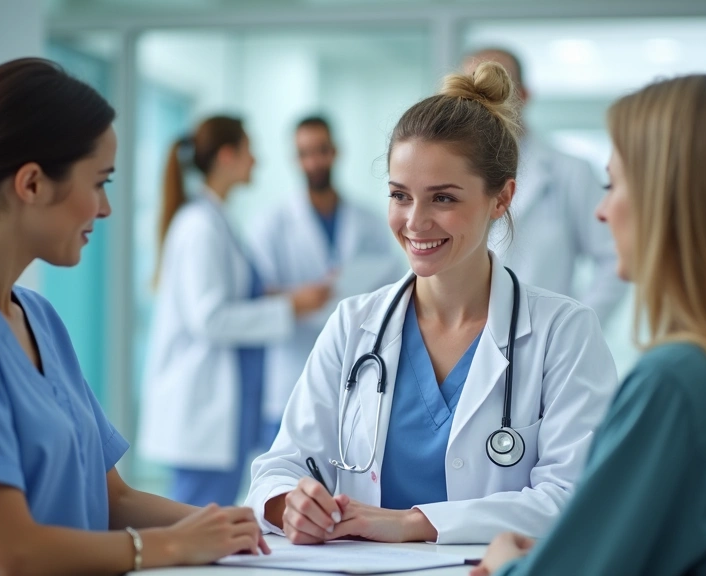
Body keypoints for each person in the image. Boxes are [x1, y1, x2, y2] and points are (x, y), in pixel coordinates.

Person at [0, 58, 268, 576]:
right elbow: (15, 553)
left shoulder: (38, 317)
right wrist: (169, 547)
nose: (106, 208)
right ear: (31, 184)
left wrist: (247, 528)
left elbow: (113, 500)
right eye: (99, 182)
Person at [473, 75, 706, 576]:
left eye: (613, 185)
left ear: (673, 201)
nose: (602, 212)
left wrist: (502, 564)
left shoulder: (678, 384)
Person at [245, 62, 619, 545]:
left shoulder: (563, 332)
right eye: (400, 195)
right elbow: (281, 466)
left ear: (502, 198)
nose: (415, 222)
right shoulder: (354, 324)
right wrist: (289, 503)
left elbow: (575, 495)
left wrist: (413, 523)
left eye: (442, 198)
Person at [137, 116, 332, 507]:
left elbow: (235, 294)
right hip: (204, 411)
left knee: (208, 524)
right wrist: (290, 306)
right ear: (228, 156)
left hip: (225, 410)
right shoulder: (199, 226)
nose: (256, 161)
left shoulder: (216, 220)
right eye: (249, 151)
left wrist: (283, 295)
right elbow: (210, 318)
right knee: (196, 530)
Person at [247, 115, 405, 446]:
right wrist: (297, 299)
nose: (314, 161)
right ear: (296, 159)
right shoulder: (272, 223)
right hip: (291, 370)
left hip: (355, 368)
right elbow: (257, 292)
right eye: (305, 153)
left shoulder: (370, 221)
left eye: (321, 151)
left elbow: (394, 285)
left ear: (335, 152)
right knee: (286, 482)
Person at [462, 48, 626, 326]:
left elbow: (614, 258)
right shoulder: (451, 173)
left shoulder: (569, 171)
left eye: (496, 87)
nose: (484, 99)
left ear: (524, 95)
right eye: (474, 89)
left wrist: (576, 327)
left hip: (544, 338)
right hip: (465, 336)